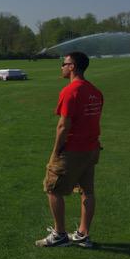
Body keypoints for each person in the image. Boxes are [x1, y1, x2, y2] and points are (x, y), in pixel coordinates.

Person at [35, 51, 104, 248]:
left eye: (64, 63)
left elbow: (63, 126)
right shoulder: (95, 91)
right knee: (87, 191)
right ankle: (83, 234)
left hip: (73, 150)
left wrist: (55, 152)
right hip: (91, 149)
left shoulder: (70, 91)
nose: (62, 67)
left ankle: (59, 234)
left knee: (52, 189)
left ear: (72, 66)